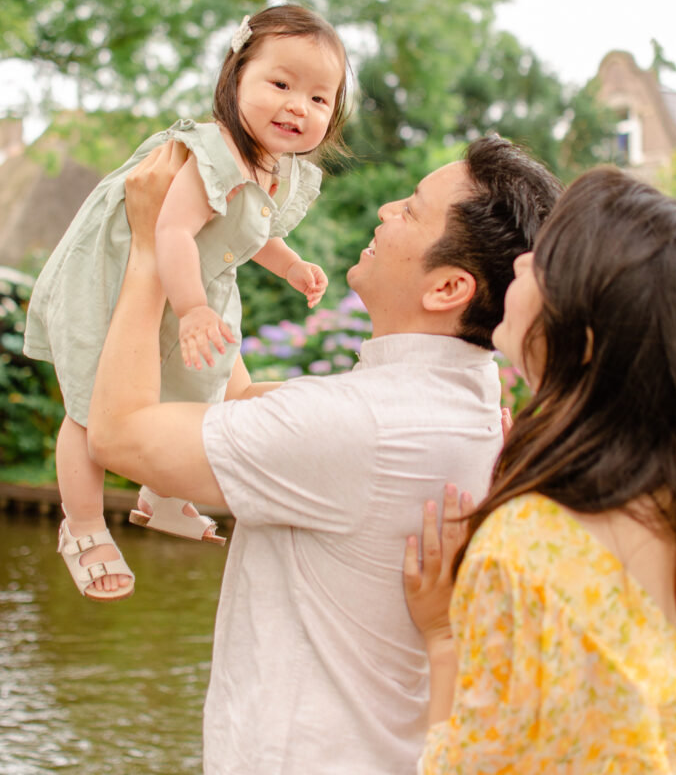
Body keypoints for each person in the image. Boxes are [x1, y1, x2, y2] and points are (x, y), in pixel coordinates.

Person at [87, 133, 560, 775]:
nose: (386, 209)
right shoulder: (455, 410)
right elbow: (250, 398)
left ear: (448, 287)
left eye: (412, 210)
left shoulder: (360, 425)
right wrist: (199, 259)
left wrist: (147, 249)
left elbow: (118, 433)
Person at [23, 4, 350, 601]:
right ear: (235, 79)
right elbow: (168, 232)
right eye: (280, 84)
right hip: (121, 277)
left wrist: (292, 266)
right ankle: (84, 525)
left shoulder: (280, 170)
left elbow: (254, 229)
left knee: (209, 382)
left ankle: (164, 491)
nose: (298, 106)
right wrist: (195, 309)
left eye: (320, 98)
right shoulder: (213, 154)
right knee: (90, 403)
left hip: (194, 281)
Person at [404, 167, 676, 774]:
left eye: (547, 260)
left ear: (581, 335)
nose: (523, 263)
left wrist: (445, 641)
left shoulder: (528, 547)